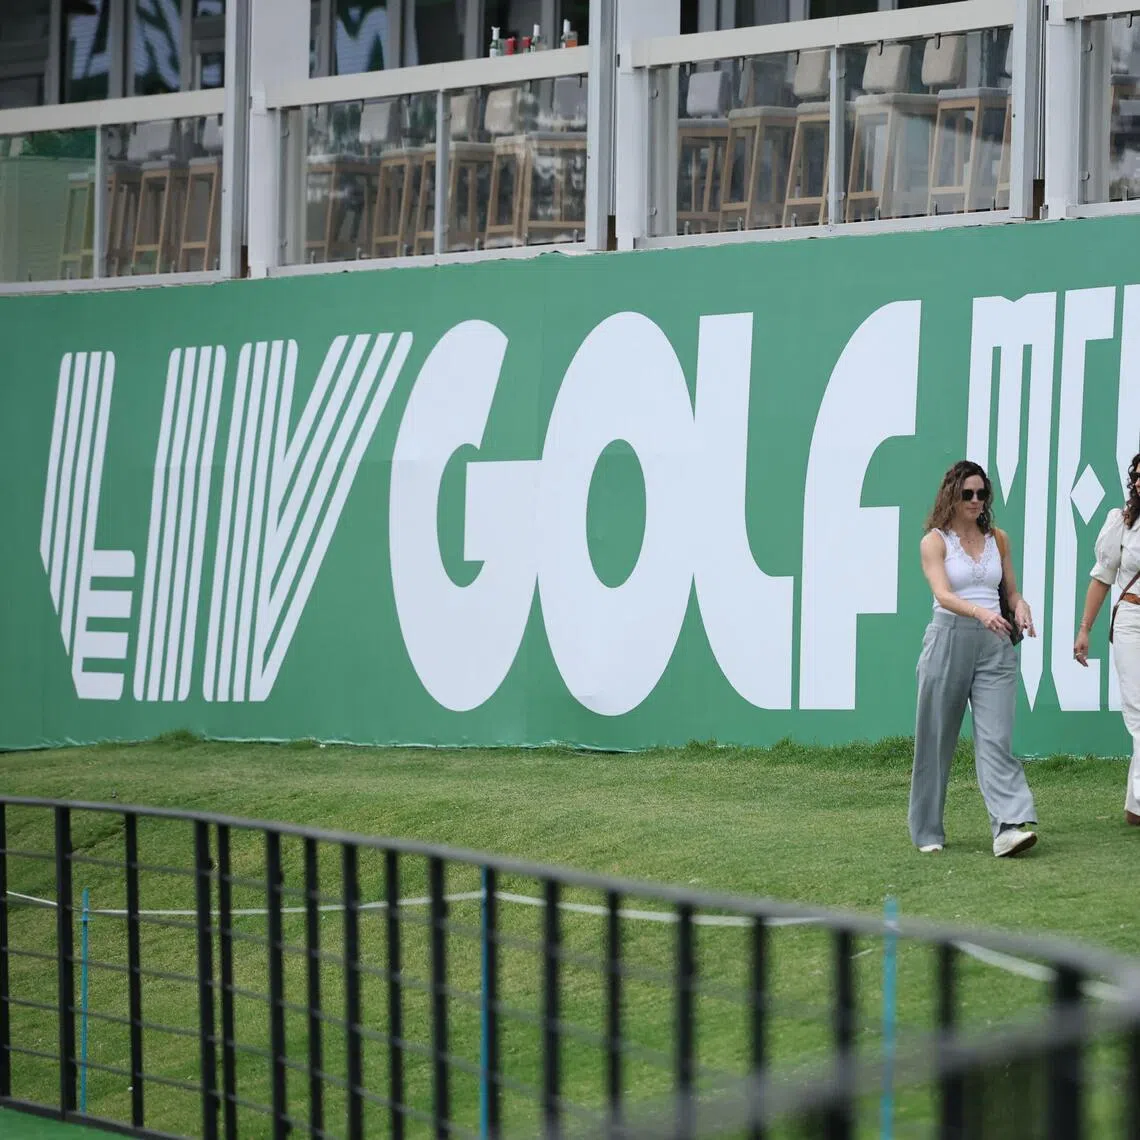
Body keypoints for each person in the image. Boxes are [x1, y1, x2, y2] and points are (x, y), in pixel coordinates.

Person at [909, 460, 1039, 857]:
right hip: (949, 638)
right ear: (952, 494)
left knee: (996, 739)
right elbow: (944, 594)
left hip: (996, 644)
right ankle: (927, 830)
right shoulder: (934, 541)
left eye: (982, 493)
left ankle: (1008, 827)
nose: (976, 500)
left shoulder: (998, 539)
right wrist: (979, 612)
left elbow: (1010, 591)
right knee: (935, 739)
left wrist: (1019, 607)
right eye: (968, 493)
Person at [1073, 452, 1140, 824]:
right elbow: (1102, 576)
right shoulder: (1122, 521)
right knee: (1138, 709)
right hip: (1131, 617)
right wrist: (1085, 628)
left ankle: (1135, 806)